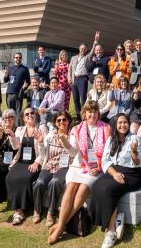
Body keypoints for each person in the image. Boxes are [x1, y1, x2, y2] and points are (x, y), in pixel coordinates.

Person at [48, 101, 110, 245]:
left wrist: (99, 167)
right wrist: (65, 142)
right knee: (70, 188)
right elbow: (73, 152)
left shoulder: (106, 128)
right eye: (89, 111)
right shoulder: (76, 129)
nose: (92, 114)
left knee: (82, 189)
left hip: (96, 168)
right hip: (78, 165)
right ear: (84, 114)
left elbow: (108, 153)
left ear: (98, 114)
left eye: (95, 111)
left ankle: (60, 226)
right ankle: (62, 225)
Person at [89, 114, 141, 248]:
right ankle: (115, 216)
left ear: (129, 124)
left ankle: (111, 231)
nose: (123, 125)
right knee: (96, 186)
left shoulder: (135, 139)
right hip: (114, 171)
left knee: (108, 190)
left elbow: (138, 163)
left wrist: (134, 152)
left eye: (125, 122)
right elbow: (105, 160)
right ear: (115, 125)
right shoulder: (110, 140)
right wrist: (114, 173)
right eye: (120, 123)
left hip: (131, 174)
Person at [5, 107, 46, 225]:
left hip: (35, 161)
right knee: (10, 177)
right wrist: (12, 136)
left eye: (32, 113)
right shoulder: (20, 129)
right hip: (21, 161)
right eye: (27, 114)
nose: (30, 115)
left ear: (36, 115)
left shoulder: (42, 128)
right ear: (23, 118)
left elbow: (44, 151)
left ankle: (23, 209)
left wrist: (37, 162)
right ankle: (18, 210)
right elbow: (16, 147)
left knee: (26, 178)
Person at [32, 111, 74, 227]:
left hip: (65, 166)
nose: (61, 122)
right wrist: (40, 142)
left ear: (68, 121)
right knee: (39, 183)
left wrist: (65, 141)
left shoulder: (72, 135)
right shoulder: (50, 136)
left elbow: (73, 153)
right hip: (49, 164)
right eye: (59, 120)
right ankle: (37, 210)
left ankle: (51, 212)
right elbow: (43, 153)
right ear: (55, 123)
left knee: (54, 182)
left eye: (64, 120)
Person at [69, 31, 101, 121]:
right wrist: (69, 78)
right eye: (81, 48)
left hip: (82, 79)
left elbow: (92, 50)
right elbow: (70, 69)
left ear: (86, 50)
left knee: (83, 99)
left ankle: (84, 116)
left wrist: (96, 40)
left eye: (84, 49)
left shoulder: (87, 57)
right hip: (74, 79)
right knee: (75, 99)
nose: (83, 50)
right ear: (79, 49)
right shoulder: (73, 58)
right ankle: (79, 117)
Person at [4, 54, 31, 121]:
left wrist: (23, 89)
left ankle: (18, 128)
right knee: (10, 113)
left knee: (18, 113)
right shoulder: (10, 68)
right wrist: (6, 75)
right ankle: (10, 128)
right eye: (16, 57)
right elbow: (5, 80)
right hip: (9, 93)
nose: (18, 58)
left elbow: (28, 82)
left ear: (21, 58)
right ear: (14, 58)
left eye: (19, 57)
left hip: (18, 94)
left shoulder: (25, 69)